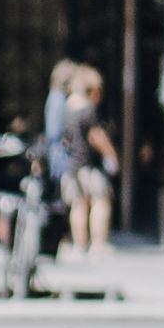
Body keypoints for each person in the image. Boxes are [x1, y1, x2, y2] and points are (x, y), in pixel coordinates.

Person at [52, 64, 119, 255]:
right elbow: (95, 135)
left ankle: (79, 245)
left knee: (78, 204)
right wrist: (111, 155)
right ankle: (98, 244)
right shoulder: (87, 109)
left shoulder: (66, 107)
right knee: (101, 200)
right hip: (88, 164)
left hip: (71, 164)